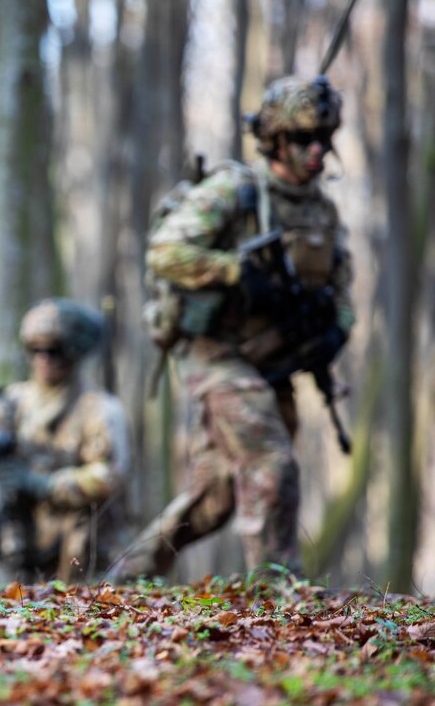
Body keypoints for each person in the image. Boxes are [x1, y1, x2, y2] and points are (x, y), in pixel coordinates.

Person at [112, 75, 355, 580]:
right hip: (213, 349)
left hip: (273, 360)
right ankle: (277, 591)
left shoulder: (322, 212)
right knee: (271, 461)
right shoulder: (235, 191)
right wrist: (235, 271)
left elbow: (342, 291)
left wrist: (335, 332)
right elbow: (165, 251)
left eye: (324, 139)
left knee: (216, 496)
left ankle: (123, 578)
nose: (317, 151)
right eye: (303, 138)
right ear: (275, 140)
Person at [0, 298, 131, 586]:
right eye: (35, 350)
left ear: (73, 352)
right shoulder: (15, 400)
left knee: (81, 540)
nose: (43, 359)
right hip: (17, 516)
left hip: (71, 522)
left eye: (53, 351)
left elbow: (108, 476)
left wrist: (43, 484)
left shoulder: (99, 409)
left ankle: (74, 612)